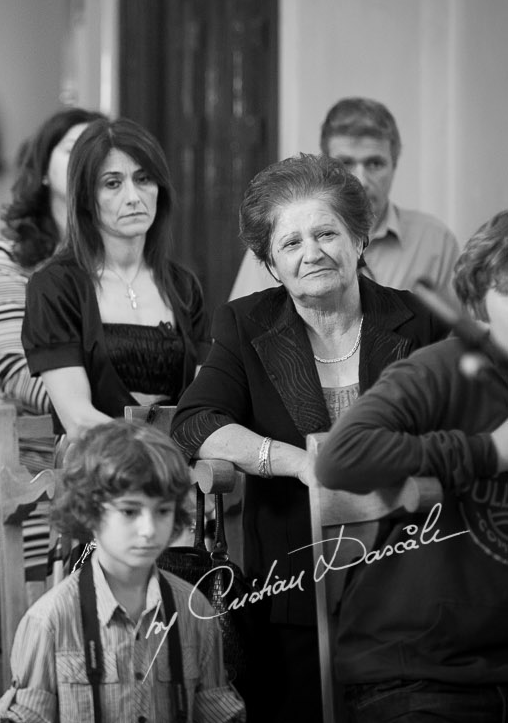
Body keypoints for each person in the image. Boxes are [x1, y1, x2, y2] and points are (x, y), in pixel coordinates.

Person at [170, 153, 447, 723]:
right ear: (271, 263)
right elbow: (196, 422)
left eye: (326, 233)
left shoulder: (417, 321)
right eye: (290, 243)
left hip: (408, 569)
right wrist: (299, 463)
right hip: (294, 580)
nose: (311, 252)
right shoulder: (246, 324)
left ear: (360, 238)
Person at [315, 210, 508, 723]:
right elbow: (339, 458)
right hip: (415, 670)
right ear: (480, 302)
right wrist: (490, 452)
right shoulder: (441, 369)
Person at [0, 421, 245, 723]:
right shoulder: (49, 622)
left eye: (163, 511)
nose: (149, 529)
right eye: (129, 511)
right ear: (89, 512)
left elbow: (220, 714)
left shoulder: (195, 610)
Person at [22, 117, 210, 439]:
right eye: (112, 183)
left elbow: (205, 402)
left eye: (144, 179)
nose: (133, 196)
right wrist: (159, 452)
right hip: (95, 469)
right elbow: (79, 420)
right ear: (84, 197)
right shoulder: (55, 287)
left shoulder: (184, 287)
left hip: (181, 470)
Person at [0, 107, 105, 577]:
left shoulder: (128, 257)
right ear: (43, 171)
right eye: (75, 151)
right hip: (39, 458)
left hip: (128, 447)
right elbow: (14, 371)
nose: (86, 165)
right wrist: (96, 412)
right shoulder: (12, 257)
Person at [229, 97, 459, 302]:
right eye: (346, 163)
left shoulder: (434, 242)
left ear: (394, 165)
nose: (361, 179)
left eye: (375, 164)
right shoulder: (280, 240)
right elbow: (247, 335)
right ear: (325, 166)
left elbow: (455, 341)